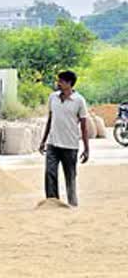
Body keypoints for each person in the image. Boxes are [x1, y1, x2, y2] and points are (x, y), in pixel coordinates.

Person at [38, 70, 89, 207]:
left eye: (61, 81)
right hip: (52, 143)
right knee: (50, 173)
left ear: (69, 83)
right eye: (58, 80)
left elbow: (84, 126)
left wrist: (86, 149)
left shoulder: (79, 100)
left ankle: (72, 203)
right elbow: (50, 119)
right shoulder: (52, 97)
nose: (58, 83)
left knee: (70, 176)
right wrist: (43, 141)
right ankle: (52, 202)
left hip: (70, 145)